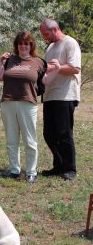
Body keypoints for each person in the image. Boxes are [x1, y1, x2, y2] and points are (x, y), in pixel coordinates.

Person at [0, 31, 60, 183]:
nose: (23, 46)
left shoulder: (38, 62)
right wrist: (0, 62)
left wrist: (56, 70)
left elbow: (44, 81)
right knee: (11, 139)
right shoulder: (9, 59)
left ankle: (31, 172)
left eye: (26, 43)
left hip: (28, 103)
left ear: (31, 45)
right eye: (20, 43)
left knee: (30, 140)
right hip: (8, 102)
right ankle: (14, 170)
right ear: (16, 45)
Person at [39, 19, 81, 181]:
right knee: (49, 134)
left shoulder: (70, 43)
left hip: (65, 95)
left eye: (46, 33)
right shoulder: (50, 47)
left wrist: (56, 68)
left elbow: (74, 68)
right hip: (50, 95)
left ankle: (70, 169)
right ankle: (58, 166)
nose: (44, 37)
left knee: (64, 133)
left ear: (55, 29)